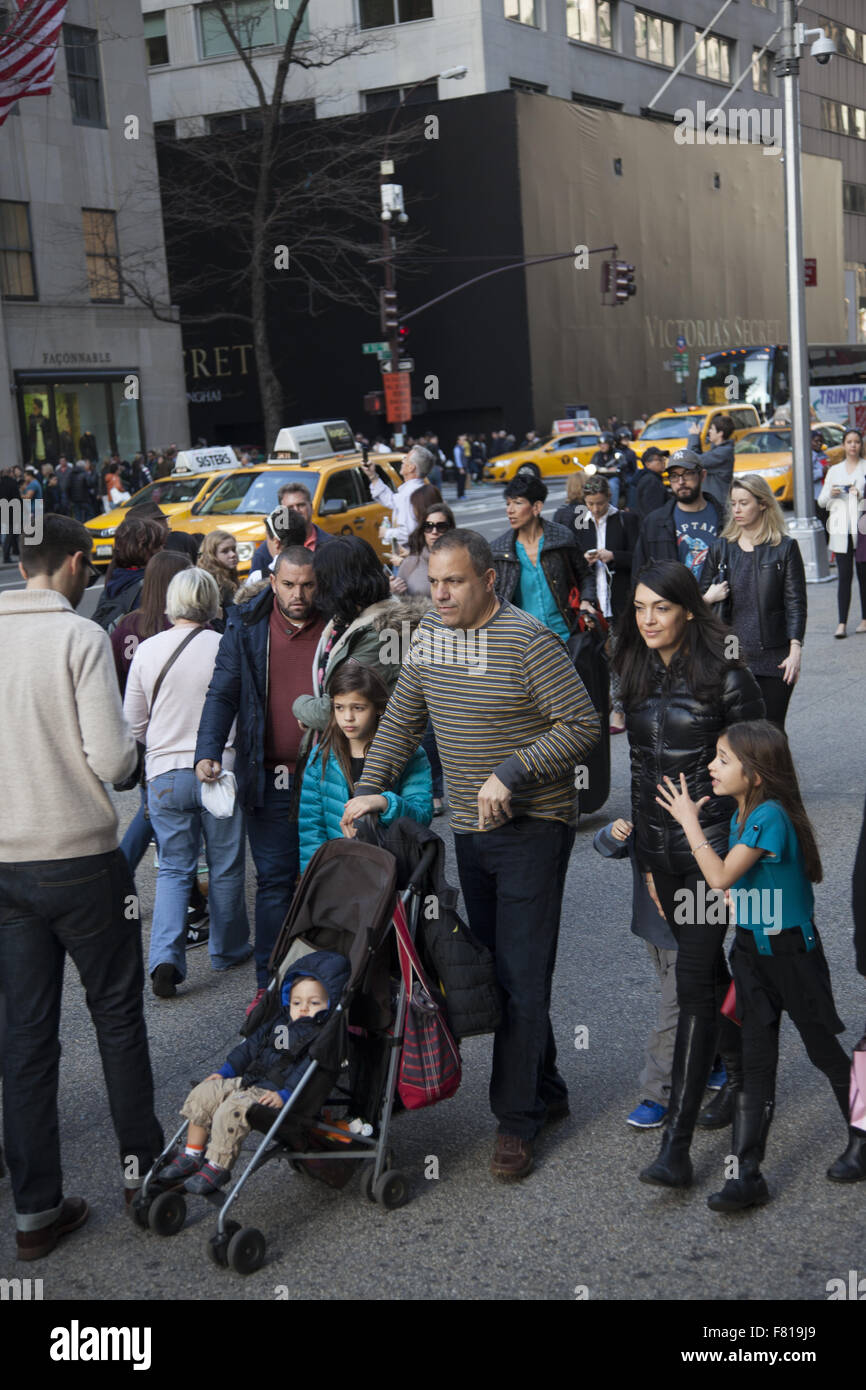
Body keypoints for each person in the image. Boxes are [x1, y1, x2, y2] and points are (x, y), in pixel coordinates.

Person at [345, 528, 600, 1181]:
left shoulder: (529, 641)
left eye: (453, 581)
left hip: (534, 827)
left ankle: (515, 1124)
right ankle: (546, 1091)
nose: (441, 593)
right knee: (498, 970)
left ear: (490, 579)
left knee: (520, 975)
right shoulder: (430, 635)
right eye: (434, 581)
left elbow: (583, 725)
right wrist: (369, 790)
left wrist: (512, 771)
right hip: (471, 831)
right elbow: (402, 719)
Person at [0, 515, 163, 1257]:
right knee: (116, 1017)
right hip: (81, 856)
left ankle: (34, 1212)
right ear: (70, 563)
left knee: (27, 1038)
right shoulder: (78, 637)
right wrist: (128, 756)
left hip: (6, 866)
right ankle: (142, 1172)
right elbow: (112, 760)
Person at [655, 721, 865, 1206]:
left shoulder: (769, 815)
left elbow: (722, 877)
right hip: (751, 955)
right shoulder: (745, 810)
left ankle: (863, 1135)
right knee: (753, 1066)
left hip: (793, 956)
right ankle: (746, 1176)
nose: (711, 765)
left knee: (826, 1055)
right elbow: (733, 890)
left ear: (756, 774)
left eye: (723, 759)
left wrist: (688, 821)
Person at [612, 560, 764, 1188]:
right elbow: (643, 775)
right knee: (709, 973)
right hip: (661, 858)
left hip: (714, 857)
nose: (648, 620)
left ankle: (676, 1145)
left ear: (688, 611)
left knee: (696, 979)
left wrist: (736, 856)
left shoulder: (726, 677)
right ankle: (743, 1066)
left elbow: (762, 765)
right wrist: (646, 859)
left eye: (661, 608)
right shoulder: (634, 671)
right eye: (640, 608)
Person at [195, 547, 324, 1010]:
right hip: (267, 776)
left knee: (323, 878)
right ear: (273, 582)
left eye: (307, 585)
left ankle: (323, 981)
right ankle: (268, 985)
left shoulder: (335, 625)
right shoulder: (246, 625)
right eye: (289, 585)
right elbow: (222, 693)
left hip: (324, 776)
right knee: (273, 880)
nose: (298, 594)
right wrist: (207, 751)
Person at [125, 568, 251, 998]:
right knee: (226, 864)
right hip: (219, 771)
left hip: (163, 775)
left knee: (175, 869)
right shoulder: (227, 645)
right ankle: (228, 947)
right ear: (213, 600)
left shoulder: (147, 650)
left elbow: (134, 724)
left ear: (172, 602)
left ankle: (164, 957)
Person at [158, 952, 350, 1195]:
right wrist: (225, 1072)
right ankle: (192, 1154)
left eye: (314, 1003)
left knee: (232, 1109)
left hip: (274, 1091)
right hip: (250, 1079)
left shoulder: (321, 1037)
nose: (303, 1008)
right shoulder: (277, 1024)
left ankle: (217, 1165)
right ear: (287, 1001)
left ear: (329, 1005)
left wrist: (286, 1094)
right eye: (297, 1002)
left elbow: (306, 1072)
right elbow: (248, 1048)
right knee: (203, 1094)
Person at [300, 664, 432, 870]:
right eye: (339, 707)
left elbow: (422, 816)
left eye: (358, 708)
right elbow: (311, 829)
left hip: (391, 870)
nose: (347, 717)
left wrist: (383, 802)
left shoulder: (410, 754)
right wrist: (313, 877)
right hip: (337, 871)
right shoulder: (321, 755)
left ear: (379, 707)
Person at [700, 475, 806, 730]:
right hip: (732, 653)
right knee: (737, 731)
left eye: (744, 503)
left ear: (763, 504)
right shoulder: (721, 548)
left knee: (771, 730)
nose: (736, 509)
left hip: (774, 654)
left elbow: (795, 603)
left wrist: (795, 650)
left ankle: (775, 773)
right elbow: (697, 604)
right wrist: (708, 597)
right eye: (733, 503)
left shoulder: (784, 548)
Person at [593, 816, 679, 1128]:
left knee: (673, 1012)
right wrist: (613, 832)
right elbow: (603, 846)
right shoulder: (647, 805)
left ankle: (657, 1094)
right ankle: (713, 1059)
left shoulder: (703, 810)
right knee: (696, 999)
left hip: (691, 927)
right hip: (652, 927)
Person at [293, 536, 406, 738]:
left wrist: (300, 706)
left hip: (370, 755)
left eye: (320, 579)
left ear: (338, 583)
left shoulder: (381, 633)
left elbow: (338, 709)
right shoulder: (342, 622)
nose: (316, 588)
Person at [490, 474, 597, 643]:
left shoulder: (561, 538)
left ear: (537, 507)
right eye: (508, 503)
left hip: (566, 636)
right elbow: (491, 598)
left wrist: (586, 601)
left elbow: (586, 575)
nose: (509, 510)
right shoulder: (499, 550)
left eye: (517, 503)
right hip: (525, 644)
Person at [571, 475, 640, 735]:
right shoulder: (580, 524)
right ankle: (603, 707)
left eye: (600, 503)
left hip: (620, 602)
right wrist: (584, 560)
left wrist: (613, 557)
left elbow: (639, 557)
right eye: (590, 503)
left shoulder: (625, 520)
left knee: (621, 658)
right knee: (597, 658)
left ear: (609, 498)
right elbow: (573, 563)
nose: (595, 509)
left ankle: (620, 711)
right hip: (592, 603)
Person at [631, 449, 723, 585]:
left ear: (702, 476)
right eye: (674, 476)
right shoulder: (654, 523)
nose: (681, 481)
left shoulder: (726, 518)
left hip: (716, 602)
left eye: (688, 474)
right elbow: (639, 573)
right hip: (671, 603)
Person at [817, 426, 866, 637]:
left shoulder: (865, 468)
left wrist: (860, 495)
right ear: (844, 445)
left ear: (861, 445)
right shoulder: (835, 470)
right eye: (849, 442)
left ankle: (865, 618)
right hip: (840, 530)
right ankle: (842, 623)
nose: (853, 445)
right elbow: (821, 501)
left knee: (863, 576)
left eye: (856, 442)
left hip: (862, 530)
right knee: (844, 577)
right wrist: (832, 493)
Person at [91, 515, 166, 633]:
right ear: (143, 549)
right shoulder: (150, 584)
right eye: (158, 545)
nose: (162, 550)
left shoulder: (115, 577)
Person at [248, 481, 336, 577]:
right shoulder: (265, 551)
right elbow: (254, 589)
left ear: (311, 507)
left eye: (301, 505)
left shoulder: (331, 545)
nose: (296, 510)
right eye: (290, 507)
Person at [361, 444, 433, 546]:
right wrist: (373, 476)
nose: (402, 461)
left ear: (411, 467)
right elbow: (391, 500)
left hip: (411, 555)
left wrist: (386, 533)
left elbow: (407, 534)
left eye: (405, 458)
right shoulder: (416, 490)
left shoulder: (410, 495)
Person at [390, 502, 455, 597]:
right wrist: (394, 591)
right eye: (428, 526)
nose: (434, 531)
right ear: (423, 530)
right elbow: (399, 603)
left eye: (441, 527)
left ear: (450, 529)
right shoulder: (410, 563)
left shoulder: (462, 559)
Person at [688, 413, 735, 517]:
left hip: (719, 505)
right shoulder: (717, 450)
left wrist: (694, 436)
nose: (709, 432)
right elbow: (698, 458)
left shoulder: (724, 452)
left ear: (720, 433)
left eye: (712, 429)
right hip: (712, 503)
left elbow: (693, 460)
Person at [197, 529, 240, 619]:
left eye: (234, 549)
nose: (232, 554)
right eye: (225, 551)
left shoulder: (230, 576)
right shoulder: (208, 582)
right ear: (211, 555)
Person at [634, 448, 669, 520]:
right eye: (659, 459)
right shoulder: (652, 481)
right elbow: (653, 511)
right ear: (648, 464)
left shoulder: (650, 478)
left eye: (663, 459)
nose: (663, 462)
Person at [452, 435, 469, 500]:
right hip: (460, 468)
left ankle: (462, 494)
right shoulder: (457, 448)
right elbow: (457, 459)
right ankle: (460, 495)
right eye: (463, 440)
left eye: (465, 440)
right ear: (458, 441)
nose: (464, 441)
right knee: (460, 482)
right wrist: (460, 468)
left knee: (463, 481)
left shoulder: (463, 447)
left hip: (464, 467)